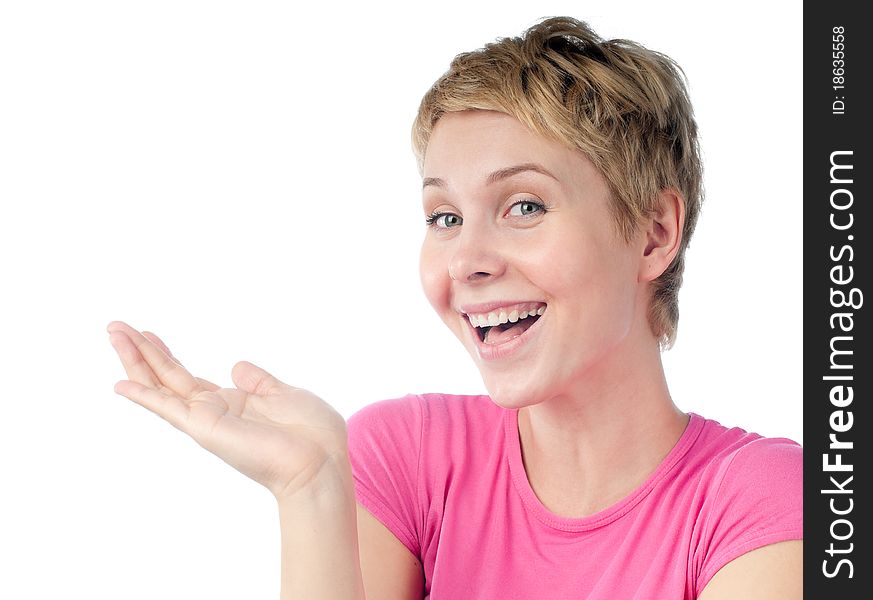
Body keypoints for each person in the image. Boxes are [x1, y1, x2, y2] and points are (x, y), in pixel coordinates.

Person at [107, 17, 802, 599]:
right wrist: (311, 491)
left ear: (652, 234)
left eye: (523, 206)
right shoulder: (404, 457)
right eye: (443, 216)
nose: (466, 260)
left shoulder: (763, 502)